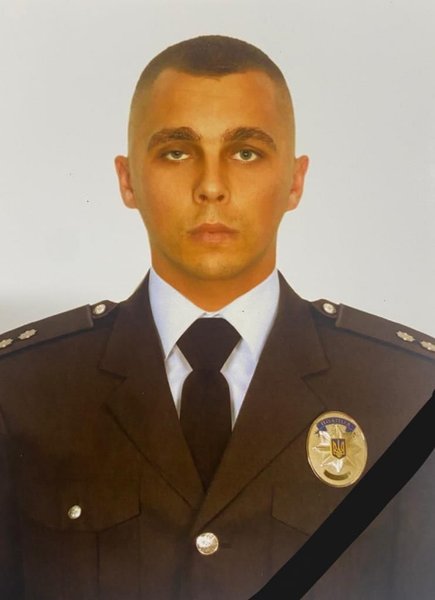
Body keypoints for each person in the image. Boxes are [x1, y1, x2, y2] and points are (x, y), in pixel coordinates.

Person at [0, 35, 434, 600]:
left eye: (246, 152)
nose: (211, 187)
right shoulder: (21, 392)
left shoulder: (407, 394)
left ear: (295, 181)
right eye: (176, 152)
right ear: (128, 180)